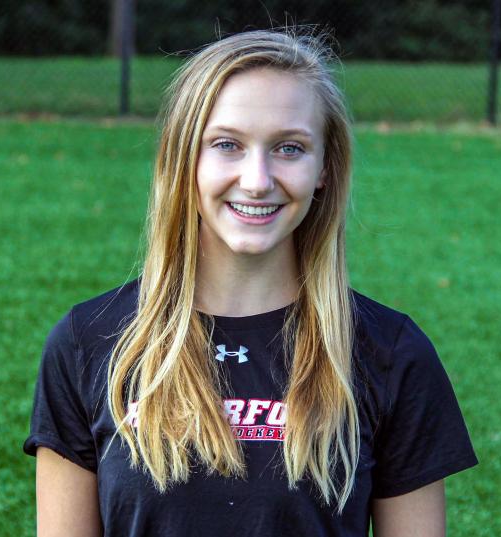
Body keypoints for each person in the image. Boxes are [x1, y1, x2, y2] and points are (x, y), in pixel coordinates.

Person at [23, 28, 478, 537]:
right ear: (183, 159)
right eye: (226, 145)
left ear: (324, 167)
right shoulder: (90, 343)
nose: (258, 179)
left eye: (289, 148)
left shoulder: (389, 353)